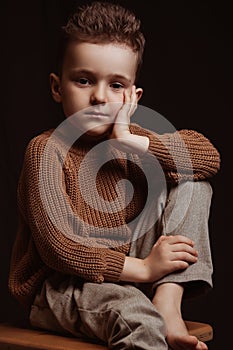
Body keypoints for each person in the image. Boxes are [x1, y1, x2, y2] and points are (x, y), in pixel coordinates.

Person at [8, 2, 220, 349]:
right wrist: (146, 270)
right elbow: (61, 250)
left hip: (129, 271)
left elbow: (209, 156)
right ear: (57, 86)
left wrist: (134, 141)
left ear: (133, 97)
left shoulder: (132, 141)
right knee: (137, 319)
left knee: (194, 182)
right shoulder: (46, 150)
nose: (100, 96)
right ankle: (152, 315)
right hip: (62, 285)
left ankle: (168, 299)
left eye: (116, 85)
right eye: (83, 80)